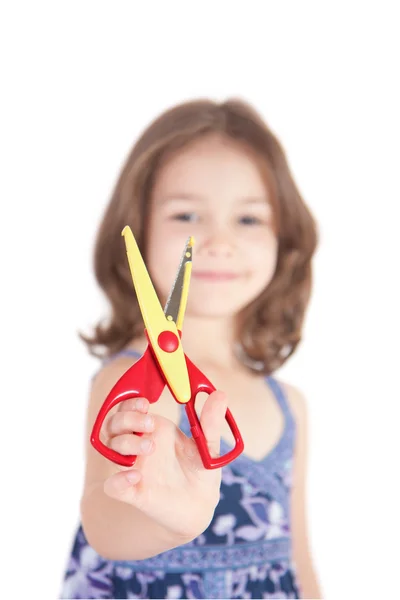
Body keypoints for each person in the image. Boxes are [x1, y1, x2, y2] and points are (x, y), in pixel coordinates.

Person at [60, 98, 322, 599]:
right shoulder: (127, 381)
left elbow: (298, 559)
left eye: (248, 220)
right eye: (187, 214)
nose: (217, 241)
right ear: (136, 233)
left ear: (284, 240)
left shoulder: (290, 406)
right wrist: (169, 523)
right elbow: (106, 525)